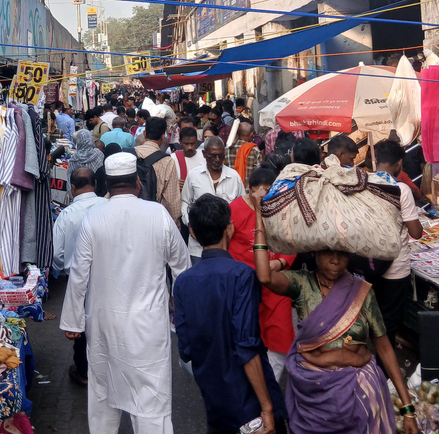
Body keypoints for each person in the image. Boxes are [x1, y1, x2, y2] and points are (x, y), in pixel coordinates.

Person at [251, 194, 418, 434]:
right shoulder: (302, 284)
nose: (335, 260)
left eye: (342, 253)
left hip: (359, 395)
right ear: (314, 253)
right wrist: (259, 219)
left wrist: (407, 407)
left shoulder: (362, 292)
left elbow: (384, 348)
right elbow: (264, 276)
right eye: (328, 252)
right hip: (314, 398)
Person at [60, 153, 190, 434]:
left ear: (106, 184)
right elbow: (182, 268)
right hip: (149, 326)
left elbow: (78, 274)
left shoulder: (93, 217)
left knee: (104, 392)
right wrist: (180, 308)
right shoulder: (158, 214)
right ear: (138, 183)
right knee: (151, 397)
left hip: (104, 323)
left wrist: (72, 321)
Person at [175, 194, 288, 434]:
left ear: (192, 232)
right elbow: (246, 346)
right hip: (249, 398)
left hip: (214, 399)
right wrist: (267, 407)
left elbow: (185, 348)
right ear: (230, 228)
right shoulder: (242, 275)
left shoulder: (183, 282)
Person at [229, 168, 295, 383]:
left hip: (274, 285)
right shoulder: (234, 210)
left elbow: (294, 241)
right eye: (259, 196)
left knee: (280, 339)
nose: (264, 202)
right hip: (244, 287)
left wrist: (279, 263)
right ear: (249, 191)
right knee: (246, 338)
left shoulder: (281, 208)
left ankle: (269, 388)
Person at [52, 168, 108, 387]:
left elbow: (56, 254)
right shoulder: (107, 208)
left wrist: (63, 269)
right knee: (105, 323)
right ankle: (105, 370)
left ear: (72, 187)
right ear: (94, 184)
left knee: (80, 327)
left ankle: (84, 372)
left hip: (77, 280)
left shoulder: (66, 215)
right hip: (106, 277)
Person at [372, 140, 423, 347]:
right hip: (395, 267)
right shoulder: (400, 189)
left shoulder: (365, 182)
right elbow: (416, 232)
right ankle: (385, 371)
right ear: (398, 163)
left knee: (375, 316)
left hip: (371, 263)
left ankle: (376, 363)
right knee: (390, 321)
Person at [182, 136, 245, 258]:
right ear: (204, 154)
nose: (217, 160)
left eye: (221, 156)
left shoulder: (234, 177)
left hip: (226, 247)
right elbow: (184, 203)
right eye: (212, 156)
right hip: (198, 249)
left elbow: (242, 206)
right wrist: (190, 224)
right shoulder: (194, 176)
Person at [135, 117, 182, 226]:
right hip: (154, 221)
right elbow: (172, 201)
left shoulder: (129, 155)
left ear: (145, 134)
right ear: (163, 136)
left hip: (129, 218)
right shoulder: (167, 161)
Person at [68, 130, 106, 198]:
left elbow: (69, 183)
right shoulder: (99, 155)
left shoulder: (73, 160)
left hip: (78, 196)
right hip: (97, 195)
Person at [225, 120, 261, 186]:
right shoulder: (254, 150)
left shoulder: (227, 149)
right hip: (247, 191)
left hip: (230, 188)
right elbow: (258, 173)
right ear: (251, 134)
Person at [171, 126, 205, 192]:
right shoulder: (172, 159)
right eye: (186, 144)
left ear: (197, 142)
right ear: (180, 142)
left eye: (192, 144)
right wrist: (174, 184)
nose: (190, 147)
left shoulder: (205, 157)